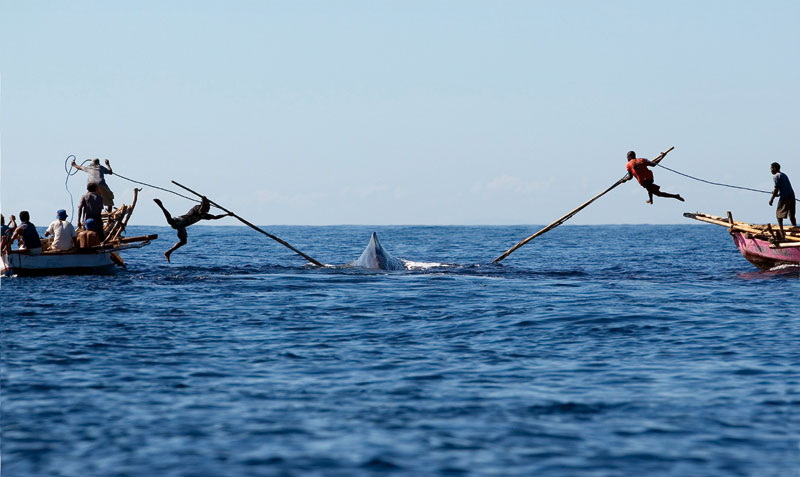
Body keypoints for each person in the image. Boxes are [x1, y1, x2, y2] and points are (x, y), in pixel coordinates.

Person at [153, 196, 232, 262]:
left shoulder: (205, 215)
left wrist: (227, 214)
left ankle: (168, 252)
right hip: (181, 220)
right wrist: (204, 202)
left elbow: (215, 217)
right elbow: (200, 210)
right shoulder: (197, 208)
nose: (208, 209)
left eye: (208, 207)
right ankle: (161, 205)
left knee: (183, 241)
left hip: (182, 226)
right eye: (207, 207)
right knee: (171, 222)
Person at [768, 162, 796, 237]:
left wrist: (772, 199)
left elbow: (776, 188)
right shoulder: (784, 175)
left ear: (774, 168)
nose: (770, 170)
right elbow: (785, 187)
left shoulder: (776, 176)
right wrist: (778, 194)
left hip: (785, 197)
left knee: (779, 215)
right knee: (792, 215)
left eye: (771, 168)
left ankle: (782, 232)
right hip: (792, 196)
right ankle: (795, 228)